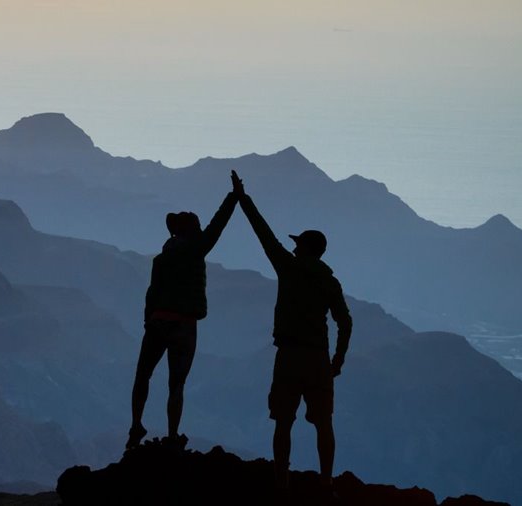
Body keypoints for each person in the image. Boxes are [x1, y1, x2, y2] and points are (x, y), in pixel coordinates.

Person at [232, 170, 353, 491]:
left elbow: (263, 233)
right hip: (318, 359)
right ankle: (326, 484)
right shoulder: (330, 282)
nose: (295, 248)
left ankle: (280, 483)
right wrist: (338, 360)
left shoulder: (288, 268)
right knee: (324, 424)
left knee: (283, 422)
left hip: (289, 357)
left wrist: (243, 198)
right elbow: (346, 322)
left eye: (298, 244)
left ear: (303, 248)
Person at [126, 171, 242, 450]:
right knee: (175, 385)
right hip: (184, 326)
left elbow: (151, 294)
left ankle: (136, 425)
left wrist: (148, 321)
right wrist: (234, 197)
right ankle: (172, 434)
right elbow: (218, 225)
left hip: (157, 323)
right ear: (192, 229)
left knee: (143, 375)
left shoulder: (162, 258)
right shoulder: (196, 249)